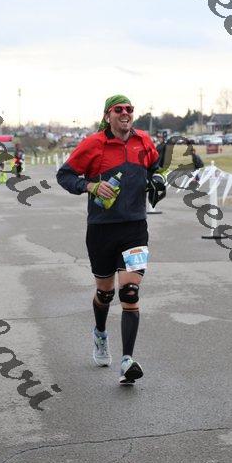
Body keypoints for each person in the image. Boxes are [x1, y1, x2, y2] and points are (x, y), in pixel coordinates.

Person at [56, 95, 163, 385]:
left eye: (129, 109)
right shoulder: (93, 144)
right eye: (119, 109)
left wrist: (157, 179)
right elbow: (64, 175)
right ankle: (101, 334)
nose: (125, 113)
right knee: (105, 293)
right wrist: (90, 186)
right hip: (101, 230)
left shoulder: (143, 141)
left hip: (135, 228)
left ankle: (127, 361)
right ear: (107, 116)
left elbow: (155, 167)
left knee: (130, 292)